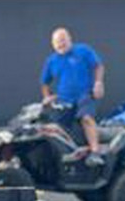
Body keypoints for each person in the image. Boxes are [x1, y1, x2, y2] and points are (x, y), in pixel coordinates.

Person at [40, 27, 106, 166]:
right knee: (53, 127)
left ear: (70, 39)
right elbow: (45, 83)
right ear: (53, 44)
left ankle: (95, 152)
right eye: (57, 42)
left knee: (86, 117)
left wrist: (98, 83)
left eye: (63, 40)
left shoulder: (83, 50)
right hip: (64, 100)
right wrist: (47, 97)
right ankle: (70, 154)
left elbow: (98, 65)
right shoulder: (51, 61)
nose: (61, 44)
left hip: (85, 94)